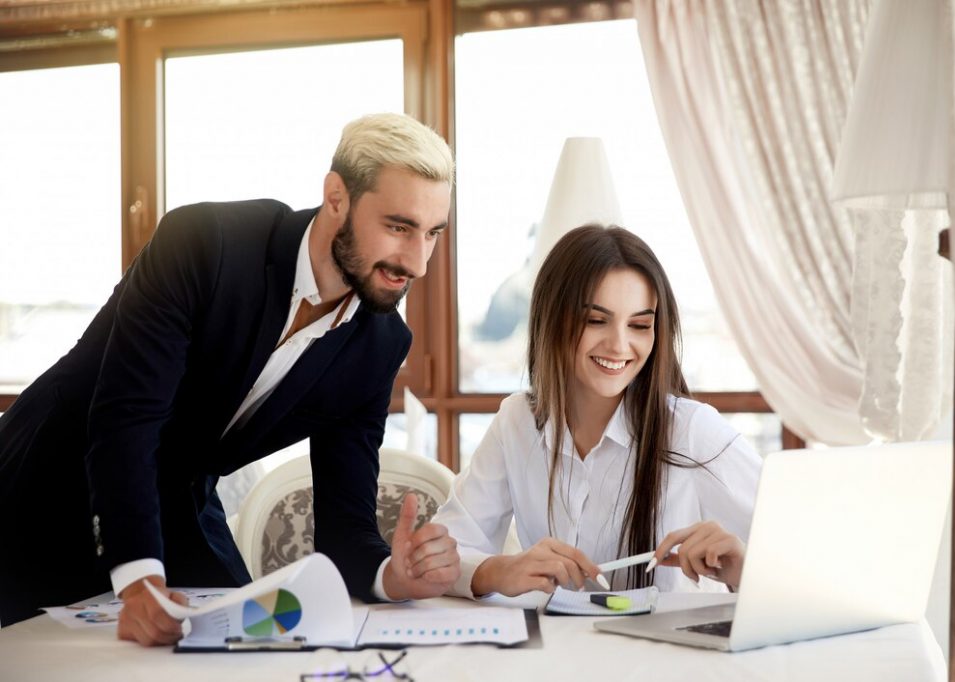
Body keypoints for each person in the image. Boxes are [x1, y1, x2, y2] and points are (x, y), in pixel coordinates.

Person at [0, 113, 461, 642]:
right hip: (44, 482)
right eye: (399, 227)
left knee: (254, 646)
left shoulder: (379, 344)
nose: (418, 262)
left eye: (432, 234)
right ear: (337, 196)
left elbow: (345, 521)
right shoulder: (205, 244)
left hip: (177, 502)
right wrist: (138, 580)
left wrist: (391, 576)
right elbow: (127, 419)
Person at [432, 225, 762, 598]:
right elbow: (446, 553)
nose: (620, 344)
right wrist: (499, 571)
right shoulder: (517, 421)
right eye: (595, 320)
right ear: (552, 319)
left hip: (665, 653)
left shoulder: (691, 431)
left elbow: (800, 559)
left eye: (639, 325)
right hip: (557, 651)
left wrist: (742, 568)